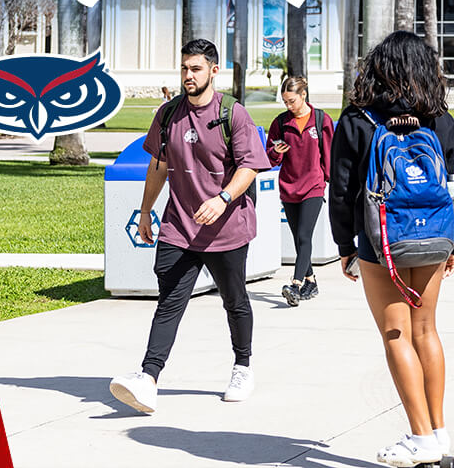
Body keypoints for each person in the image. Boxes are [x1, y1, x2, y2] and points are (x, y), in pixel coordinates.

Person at [109, 38, 270, 414]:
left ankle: (242, 367)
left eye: (196, 68)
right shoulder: (168, 114)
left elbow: (249, 166)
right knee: (169, 302)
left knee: (234, 300)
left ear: (214, 71)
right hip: (178, 227)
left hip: (226, 228)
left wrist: (222, 199)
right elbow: (159, 166)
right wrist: (145, 210)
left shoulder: (233, 114)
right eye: (184, 68)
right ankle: (148, 378)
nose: (188, 75)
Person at [328, 31, 454, 467]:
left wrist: (344, 245)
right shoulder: (438, 117)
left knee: (395, 332)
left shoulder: (358, 118)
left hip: (382, 242)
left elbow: (341, 189)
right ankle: (438, 432)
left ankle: (420, 437)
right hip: (435, 237)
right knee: (426, 331)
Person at [267, 75, 334, 306]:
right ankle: (311, 281)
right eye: (285, 102)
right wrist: (276, 152)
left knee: (305, 236)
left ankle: (295, 285)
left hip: (313, 186)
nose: (289, 106)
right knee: (298, 238)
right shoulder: (280, 123)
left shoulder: (321, 119)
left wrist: (326, 179)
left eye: (292, 101)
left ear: (303, 95)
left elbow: (329, 153)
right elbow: (270, 157)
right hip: (289, 186)